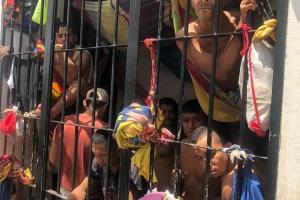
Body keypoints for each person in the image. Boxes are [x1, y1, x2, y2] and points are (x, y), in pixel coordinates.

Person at [176, 0, 257, 91]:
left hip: (254, 80)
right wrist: (243, 25)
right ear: (191, 3)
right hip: (227, 97)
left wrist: (243, 21)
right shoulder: (185, 36)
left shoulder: (239, 17)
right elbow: (221, 72)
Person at [49, 88, 108, 194]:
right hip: (88, 192)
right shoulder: (104, 130)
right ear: (105, 107)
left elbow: (52, 160)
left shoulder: (64, 122)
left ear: (84, 103)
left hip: (63, 190)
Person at [36, 24, 92, 119]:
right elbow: (38, 50)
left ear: (75, 38)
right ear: (55, 39)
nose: (64, 39)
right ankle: (44, 108)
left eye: (68, 35)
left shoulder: (84, 53)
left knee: (79, 83)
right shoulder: (54, 50)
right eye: (60, 36)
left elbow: (74, 76)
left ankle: (51, 114)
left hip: (80, 95)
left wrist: (61, 52)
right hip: (61, 93)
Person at [67, 133, 119, 200]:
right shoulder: (97, 162)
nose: (98, 160)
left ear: (118, 152)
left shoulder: (131, 169)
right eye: (95, 155)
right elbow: (81, 189)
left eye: (102, 155)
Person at [178, 99, 208, 199]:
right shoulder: (181, 145)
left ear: (205, 121)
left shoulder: (214, 148)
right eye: (186, 120)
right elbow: (178, 186)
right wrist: (175, 179)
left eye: (197, 120)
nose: (191, 126)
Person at [154, 97, 178, 191]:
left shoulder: (179, 135)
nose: (167, 115)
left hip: (167, 190)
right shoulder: (150, 131)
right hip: (149, 185)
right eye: (164, 112)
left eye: (171, 111)